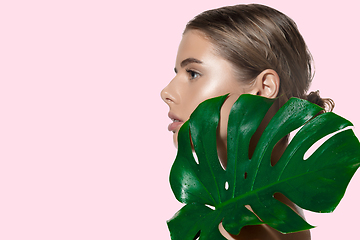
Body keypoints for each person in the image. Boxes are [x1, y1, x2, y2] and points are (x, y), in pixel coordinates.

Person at [161, 4, 333, 240]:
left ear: (263, 88)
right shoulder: (266, 212)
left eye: (193, 73)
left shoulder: (248, 227)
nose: (167, 92)